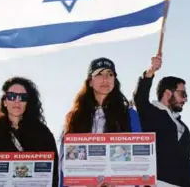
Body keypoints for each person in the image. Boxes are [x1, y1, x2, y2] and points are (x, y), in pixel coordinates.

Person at [0, 77, 59, 186]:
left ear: (28, 102)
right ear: (5, 101)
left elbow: (52, 174)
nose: (17, 101)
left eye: (22, 97)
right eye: (11, 96)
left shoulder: (42, 134)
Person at [59, 57, 142, 187]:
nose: (105, 79)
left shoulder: (129, 114)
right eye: (99, 74)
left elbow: (139, 156)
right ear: (90, 82)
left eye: (110, 74)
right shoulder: (75, 116)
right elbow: (65, 162)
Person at [133, 54, 190, 187]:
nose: (185, 99)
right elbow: (140, 98)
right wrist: (150, 71)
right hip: (155, 183)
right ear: (168, 93)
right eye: (182, 94)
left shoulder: (183, 126)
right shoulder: (151, 113)